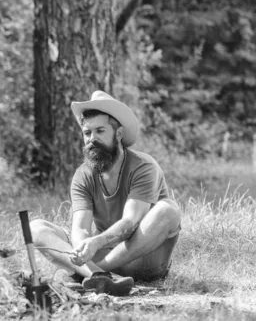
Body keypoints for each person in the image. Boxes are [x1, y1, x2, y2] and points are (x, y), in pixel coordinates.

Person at [30, 91, 182, 296]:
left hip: (143, 259)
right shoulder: (83, 175)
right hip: (101, 252)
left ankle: (96, 273)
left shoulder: (143, 166)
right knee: (36, 228)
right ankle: (97, 276)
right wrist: (81, 248)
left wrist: (96, 244)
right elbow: (80, 228)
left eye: (100, 131)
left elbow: (130, 222)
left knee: (168, 209)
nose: (92, 139)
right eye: (87, 133)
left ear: (118, 134)